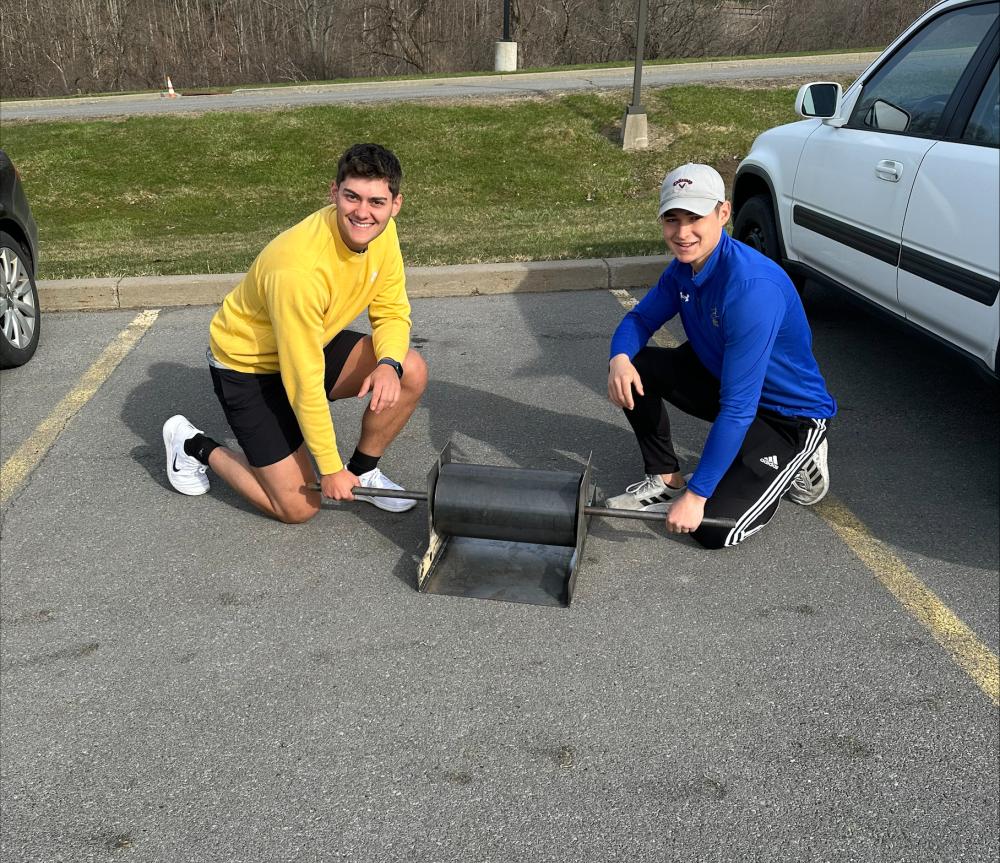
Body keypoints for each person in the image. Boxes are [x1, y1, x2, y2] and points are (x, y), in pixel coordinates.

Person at [162, 142, 427, 524]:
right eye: (351, 197)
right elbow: (304, 381)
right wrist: (330, 468)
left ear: (395, 204)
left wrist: (388, 363)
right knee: (298, 509)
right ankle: (192, 445)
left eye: (376, 202)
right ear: (334, 193)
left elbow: (392, 312)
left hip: (308, 340)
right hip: (248, 366)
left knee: (410, 369)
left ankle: (364, 471)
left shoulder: (383, 234)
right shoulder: (297, 271)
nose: (363, 212)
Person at [606, 163, 836, 549]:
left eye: (695, 217)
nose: (682, 233)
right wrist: (618, 359)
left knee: (713, 529)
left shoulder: (751, 289)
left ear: (723, 213)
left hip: (785, 413)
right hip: (728, 381)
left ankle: (801, 454)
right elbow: (640, 318)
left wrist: (697, 497)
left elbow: (739, 408)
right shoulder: (684, 267)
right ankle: (664, 481)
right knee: (637, 366)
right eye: (672, 219)